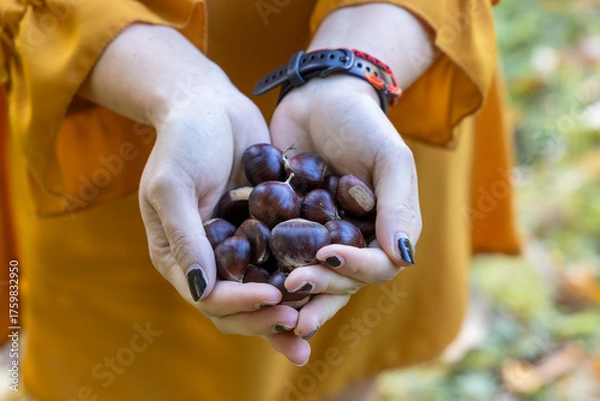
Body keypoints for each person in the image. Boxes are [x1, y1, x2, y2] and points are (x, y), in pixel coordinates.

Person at [0, 0, 520, 400]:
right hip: (126, 95)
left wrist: (352, 65)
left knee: (342, 355)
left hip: (382, 59)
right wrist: (179, 90)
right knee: (125, 370)